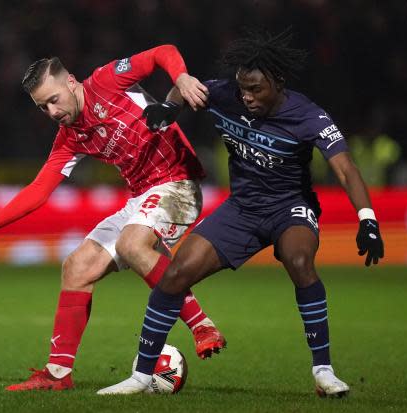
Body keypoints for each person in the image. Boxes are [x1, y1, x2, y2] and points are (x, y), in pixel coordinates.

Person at [98, 31, 384, 397]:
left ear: (278, 83)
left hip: (288, 207)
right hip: (242, 209)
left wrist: (367, 219)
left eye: (255, 89)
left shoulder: (309, 116)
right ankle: (140, 376)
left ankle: (323, 371)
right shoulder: (223, 94)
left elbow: (346, 169)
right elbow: (185, 89)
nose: (246, 96)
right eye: (242, 88)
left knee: (299, 261)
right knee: (176, 274)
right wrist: (171, 108)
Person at [0, 45, 226, 391]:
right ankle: (57, 374)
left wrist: (180, 78)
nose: (51, 110)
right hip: (141, 198)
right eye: (42, 106)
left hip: (177, 183)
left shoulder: (107, 80)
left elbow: (161, 53)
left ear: (72, 83)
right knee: (76, 267)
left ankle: (201, 325)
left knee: (132, 243)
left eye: (54, 99)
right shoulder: (69, 138)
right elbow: (40, 189)